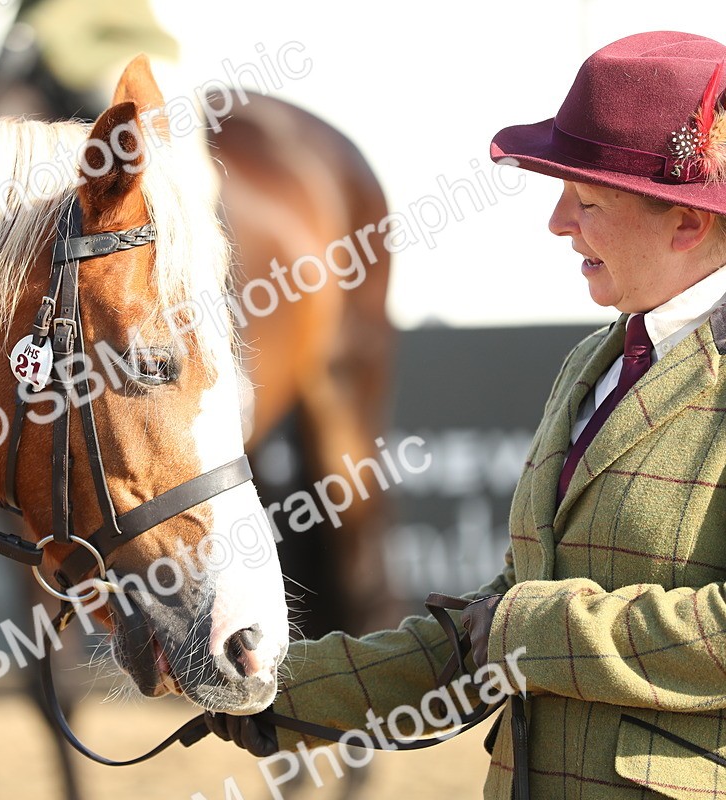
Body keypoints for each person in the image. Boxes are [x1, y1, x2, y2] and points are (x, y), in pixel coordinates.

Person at [207, 30, 726, 799]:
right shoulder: (593, 362)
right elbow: (486, 635)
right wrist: (273, 687)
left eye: (585, 200)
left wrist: (531, 631)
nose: (557, 221)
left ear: (686, 223)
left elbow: (519, 629)